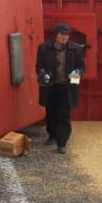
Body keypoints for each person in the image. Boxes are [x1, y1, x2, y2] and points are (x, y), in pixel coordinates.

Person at [35, 23, 85, 154]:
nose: (64, 36)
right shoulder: (43, 48)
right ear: (56, 34)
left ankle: (62, 143)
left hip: (67, 87)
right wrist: (42, 72)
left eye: (67, 34)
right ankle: (52, 135)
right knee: (51, 113)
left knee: (64, 114)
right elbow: (38, 66)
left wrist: (78, 71)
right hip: (50, 86)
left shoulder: (76, 49)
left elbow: (82, 66)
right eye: (62, 33)